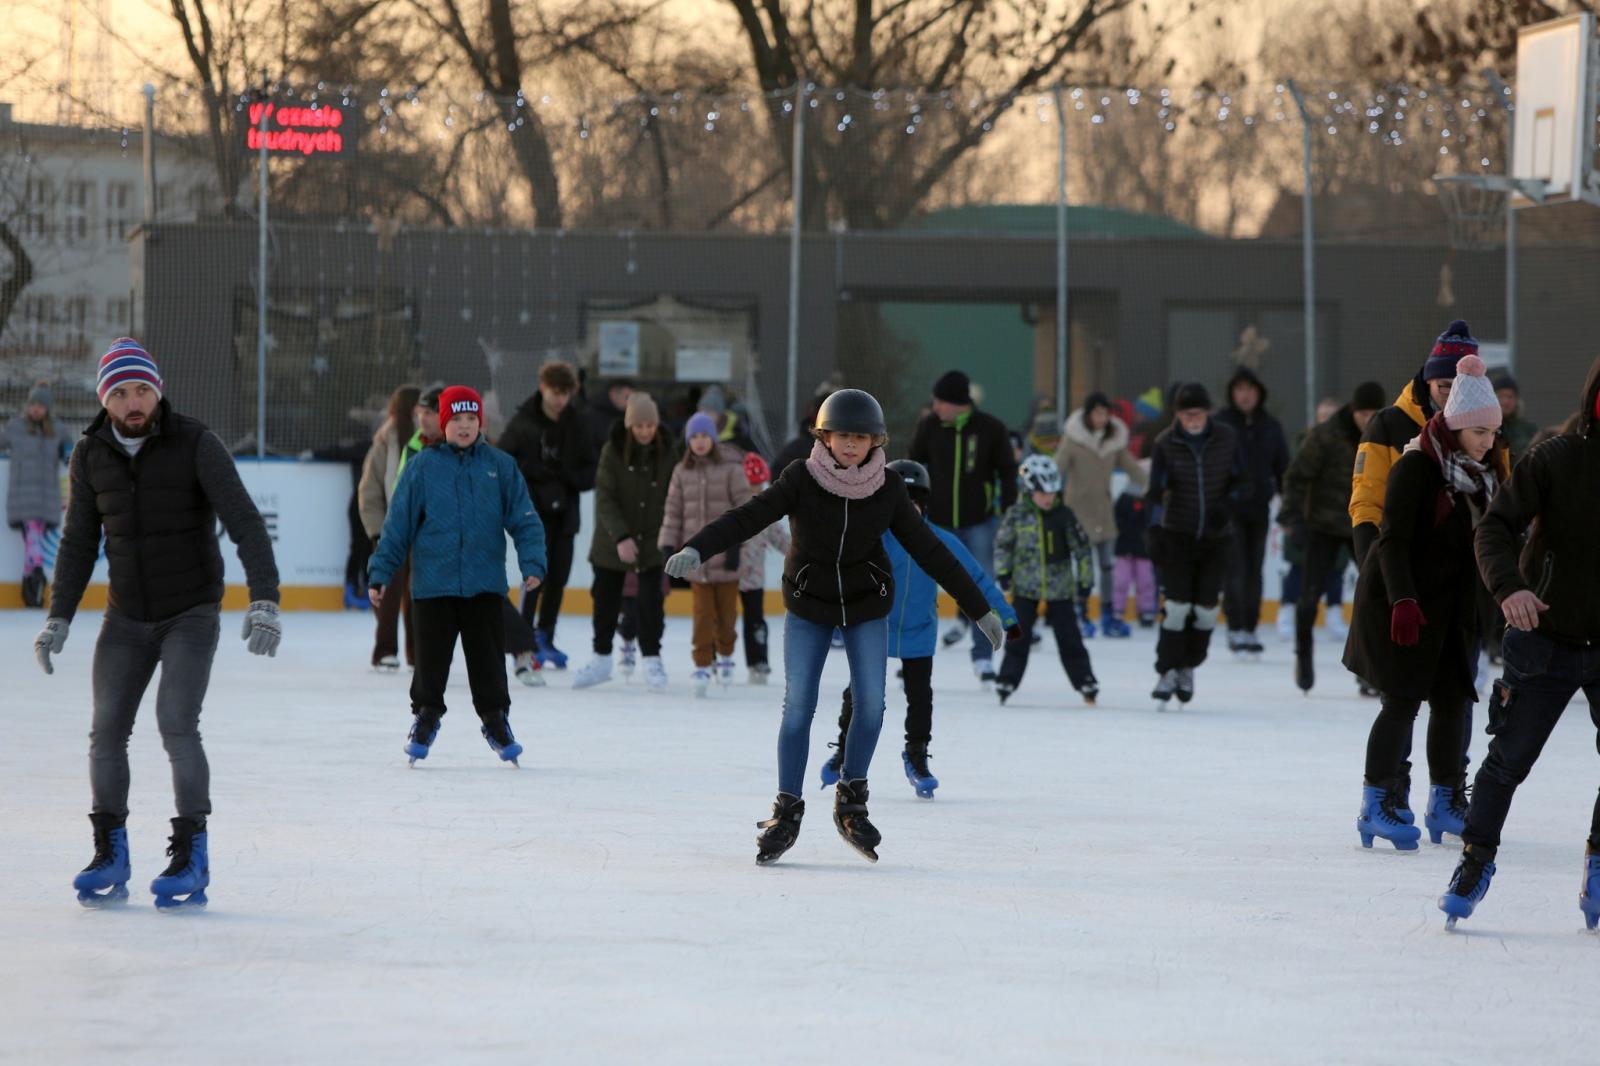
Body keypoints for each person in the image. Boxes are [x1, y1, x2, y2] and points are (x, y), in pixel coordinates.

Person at [665, 389, 1005, 865]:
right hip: (808, 603)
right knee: (798, 706)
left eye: (860, 438)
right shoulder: (801, 478)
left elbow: (931, 550)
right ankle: (787, 809)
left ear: (875, 441)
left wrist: (979, 608)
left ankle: (851, 802)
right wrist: (700, 547)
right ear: (825, 436)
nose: (851, 445)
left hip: (866, 605)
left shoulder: (888, 488)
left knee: (871, 705)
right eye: (843, 436)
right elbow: (750, 516)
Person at [35, 339, 282, 909]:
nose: (133, 402)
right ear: (105, 399)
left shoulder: (195, 443)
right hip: (125, 617)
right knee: (105, 731)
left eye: (141, 389)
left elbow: (244, 520)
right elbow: (76, 544)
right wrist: (58, 617)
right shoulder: (90, 452)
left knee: (175, 722)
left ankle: (191, 853)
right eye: (119, 393)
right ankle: (110, 850)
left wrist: (264, 599)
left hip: (190, 612)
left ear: (158, 390)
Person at [1438, 356, 1600, 929]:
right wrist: (1509, 589)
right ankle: (1475, 859)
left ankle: (1598, 859)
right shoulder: (1558, 457)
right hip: (1544, 635)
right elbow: (1495, 527)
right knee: (1508, 761)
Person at [1344, 356, 1504, 854]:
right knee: (1402, 701)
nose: (1488, 442)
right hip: (1404, 601)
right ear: (1456, 427)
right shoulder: (1418, 465)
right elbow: (1391, 540)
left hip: (1452, 607)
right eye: (1479, 432)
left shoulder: (1484, 476)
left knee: (1455, 700)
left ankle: (1444, 800)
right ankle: (1375, 803)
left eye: (1493, 432)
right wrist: (1404, 600)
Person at [367, 386, 547, 767]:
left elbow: (525, 520)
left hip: (484, 585)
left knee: (488, 664)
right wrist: (381, 571)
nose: (464, 427)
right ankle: (425, 718)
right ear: (443, 423)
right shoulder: (421, 467)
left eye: (471, 419)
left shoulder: (500, 466)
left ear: (480, 423)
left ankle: (496, 721)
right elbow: (397, 526)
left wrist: (533, 562)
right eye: (456, 420)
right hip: (434, 585)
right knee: (431, 662)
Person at [821, 459, 1018, 798]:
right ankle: (843, 750)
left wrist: (1006, 616)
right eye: (900, 499)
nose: (907, 507)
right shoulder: (872, 537)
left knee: (920, 698)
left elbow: (976, 578)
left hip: (918, 632)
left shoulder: (939, 540)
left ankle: (916, 754)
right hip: (874, 628)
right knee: (859, 695)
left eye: (914, 501)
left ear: (923, 505)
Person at [908, 370, 1018, 681]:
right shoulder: (929, 426)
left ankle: (983, 657)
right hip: (935, 523)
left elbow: (1008, 471)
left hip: (979, 524)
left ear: (959, 403)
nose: (936, 406)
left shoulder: (991, 429)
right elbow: (913, 466)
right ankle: (912, 654)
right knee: (919, 588)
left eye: (941, 401)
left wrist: (1006, 511)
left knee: (980, 588)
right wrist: (913, 506)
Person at [1278, 381, 1386, 692]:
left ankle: (1368, 669)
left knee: (1372, 594)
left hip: (1364, 525)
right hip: (1323, 526)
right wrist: (1293, 517)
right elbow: (1296, 476)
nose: (1367, 419)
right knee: (1309, 597)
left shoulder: (1386, 436)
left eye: (1373, 413)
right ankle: (1304, 654)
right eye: (1363, 413)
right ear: (1354, 411)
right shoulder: (1325, 436)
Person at [1144, 382, 1247, 706]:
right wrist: (1155, 529)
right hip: (1178, 534)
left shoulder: (1227, 439)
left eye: (1198, 413)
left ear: (1208, 413)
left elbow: (1244, 481)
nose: (1193, 419)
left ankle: (1188, 666)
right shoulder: (1165, 443)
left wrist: (1226, 507)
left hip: (1216, 539)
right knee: (1175, 608)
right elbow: (1156, 490)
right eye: (1187, 414)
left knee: (1204, 610)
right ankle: (1167, 670)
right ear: (1178, 415)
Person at [1350, 320, 1483, 566]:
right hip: (1406, 561)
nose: (1454, 395)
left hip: (1470, 566)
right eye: (1445, 386)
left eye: (1464, 387)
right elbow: (1367, 500)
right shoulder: (1388, 426)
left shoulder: (1489, 430)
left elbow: (1502, 499)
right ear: (1428, 381)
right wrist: (1373, 567)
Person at [572, 391, 677, 691]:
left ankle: (652, 659)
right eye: (639, 426)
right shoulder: (613, 450)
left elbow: (674, 494)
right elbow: (605, 496)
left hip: (653, 540)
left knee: (650, 603)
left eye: (649, 426)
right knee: (604, 599)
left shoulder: (668, 451)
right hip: (612, 541)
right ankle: (601, 658)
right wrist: (620, 536)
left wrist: (667, 535)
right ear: (630, 426)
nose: (645, 432)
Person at [495, 361, 596, 669]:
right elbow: (504, 460)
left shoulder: (577, 424)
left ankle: (545, 637)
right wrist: (534, 474)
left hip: (565, 513)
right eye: (555, 392)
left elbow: (591, 470)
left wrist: (566, 477)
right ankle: (524, 641)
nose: (559, 399)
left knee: (558, 578)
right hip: (533, 513)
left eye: (565, 393)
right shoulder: (524, 422)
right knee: (535, 575)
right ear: (543, 388)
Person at [993, 455, 1099, 705]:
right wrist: (1004, 572)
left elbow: (1082, 550)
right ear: (1029, 490)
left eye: (1052, 492)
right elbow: (1003, 546)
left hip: (1060, 589)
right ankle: (1007, 679)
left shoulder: (1064, 515)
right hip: (1024, 588)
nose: (1048, 497)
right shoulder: (1016, 515)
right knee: (1018, 636)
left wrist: (1085, 581)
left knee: (1069, 637)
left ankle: (1085, 680)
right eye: (1042, 492)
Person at [659, 412, 752, 696]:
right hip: (695, 562)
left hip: (727, 558)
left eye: (704, 436)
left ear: (713, 439)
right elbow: (673, 512)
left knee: (726, 615)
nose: (699, 442)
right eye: (694, 437)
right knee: (701, 615)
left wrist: (736, 546)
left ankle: (724, 655)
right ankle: (701, 662)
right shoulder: (681, 471)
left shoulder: (731, 469)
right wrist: (667, 545)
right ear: (688, 441)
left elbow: (745, 511)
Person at [1053, 392, 1147, 638]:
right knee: (1082, 568)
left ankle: (1108, 614)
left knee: (1108, 566)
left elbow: (1132, 468)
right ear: (1087, 414)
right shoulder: (1073, 439)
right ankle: (1079, 612)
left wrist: (1154, 487)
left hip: (1104, 514)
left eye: (1105, 413)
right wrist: (1043, 490)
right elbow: (1058, 468)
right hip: (1077, 513)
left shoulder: (1113, 441)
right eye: (1097, 413)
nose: (1102, 418)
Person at [1213, 367, 1288, 656]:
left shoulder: (1270, 426)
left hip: (1258, 509)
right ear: (1233, 393)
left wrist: (1288, 506)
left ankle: (1250, 628)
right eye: (1240, 390)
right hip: (1228, 509)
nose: (1245, 396)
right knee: (1235, 569)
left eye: (1250, 390)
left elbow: (1282, 468)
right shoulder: (1220, 424)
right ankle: (1235, 627)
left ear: (1259, 393)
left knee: (1254, 570)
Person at [357, 384, 421, 670]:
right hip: (390, 530)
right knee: (388, 592)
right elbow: (370, 490)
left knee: (418, 594)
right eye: (417, 407)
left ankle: (417, 653)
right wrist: (377, 531)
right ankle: (384, 650)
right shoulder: (385, 442)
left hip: (421, 531)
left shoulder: (429, 441)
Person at [5, 381, 68, 608]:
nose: (36, 409)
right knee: (34, 540)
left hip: (46, 497)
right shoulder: (15, 427)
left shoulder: (58, 430)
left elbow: (69, 449)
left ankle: (30, 591)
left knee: (33, 542)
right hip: (23, 497)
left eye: (41, 405)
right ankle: (38, 578)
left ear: (48, 408)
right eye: (33, 404)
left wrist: (69, 453)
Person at [736, 453, 789, 685]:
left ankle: (758, 660)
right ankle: (717, 657)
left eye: (760, 483)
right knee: (722, 618)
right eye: (751, 483)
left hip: (753, 577)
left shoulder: (765, 507)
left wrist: (801, 551)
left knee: (755, 620)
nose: (756, 488)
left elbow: (779, 537)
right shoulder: (734, 507)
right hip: (726, 574)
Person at [1112, 484, 1158, 628]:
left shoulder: (1151, 500)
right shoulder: (1124, 499)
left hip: (1144, 550)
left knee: (1146, 581)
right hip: (1124, 548)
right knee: (1121, 581)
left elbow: (1153, 522)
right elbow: (1116, 519)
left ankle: (1146, 610)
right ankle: (1118, 610)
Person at [1489, 369, 1537, 467]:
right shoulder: (1484, 429)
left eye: (1510, 397)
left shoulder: (1528, 430)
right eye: (1501, 396)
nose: (1506, 401)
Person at [582, 377, 633, 457]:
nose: (629, 402)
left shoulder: (626, 413)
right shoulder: (592, 416)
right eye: (627, 397)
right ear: (613, 394)